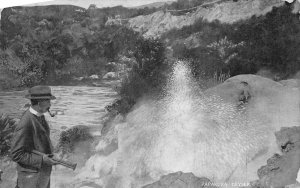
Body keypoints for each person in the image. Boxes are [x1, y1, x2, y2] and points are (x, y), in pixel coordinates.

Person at [10, 85, 58, 188]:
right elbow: (16, 154)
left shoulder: (40, 116)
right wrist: (42, 160)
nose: (50, 104)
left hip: (41, 177)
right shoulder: (26, 122)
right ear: (40, 103)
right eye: (48, 101)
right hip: (30, 180)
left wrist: (50, 156)